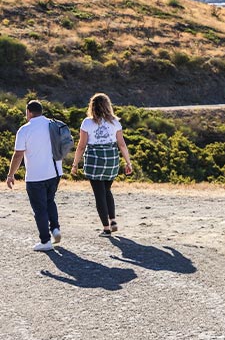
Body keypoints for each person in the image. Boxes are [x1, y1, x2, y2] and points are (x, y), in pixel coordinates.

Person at [71, 93, 133, 237]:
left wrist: (75, 164)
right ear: (107, 106)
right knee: (107, 190)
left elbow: (81, 146)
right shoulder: (115, 122)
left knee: (99, 194)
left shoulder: (87, 123)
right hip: (111, 159)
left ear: (92, 106)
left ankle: (106, 228)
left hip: (94, 160)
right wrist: (128, 162)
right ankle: (113, 220)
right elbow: (122, 144)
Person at [6, 100, 62, 251]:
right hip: (54, 173)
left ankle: (46, 241)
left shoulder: (25, 130)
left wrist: (11, 174)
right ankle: (55, 229)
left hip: (35, 176)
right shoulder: (53, 125)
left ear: (28, 112)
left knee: (39, 209)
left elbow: (18, 155)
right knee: (50, 201)